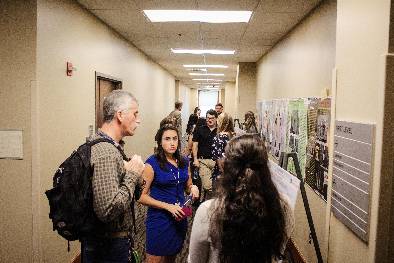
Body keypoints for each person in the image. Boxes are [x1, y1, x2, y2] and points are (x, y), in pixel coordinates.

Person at [189, 134, 294, 263]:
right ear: (265, 167)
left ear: (227, 166)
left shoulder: (208, 211)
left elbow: (195, 260)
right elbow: (277, 253)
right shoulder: (283, 206)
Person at [81, 90, 145, 263]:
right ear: (120, 115)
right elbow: (107, 210)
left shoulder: (112, 147)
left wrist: (134, 175)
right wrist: (132, 175)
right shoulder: (106, 153)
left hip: (111, 242)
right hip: (108, 246)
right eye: (135, 113)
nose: (138, 119)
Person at [138, 124, 199, 263]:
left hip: (179, 217)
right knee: (153, 259)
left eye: (175, 139)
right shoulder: (151, 163)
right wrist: (168, 207)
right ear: (160, 142)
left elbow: (188, 185)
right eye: (167, 139)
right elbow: (141, 196)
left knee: (172, 256)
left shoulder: (184, 161)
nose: (172, 143)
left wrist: (193, 188)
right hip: (159, 218)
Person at [192, 109, 218, 200]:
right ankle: (212, 203)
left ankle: (210, 202)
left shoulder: (219, 131)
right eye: (207, 118)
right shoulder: (200, 129)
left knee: (218, 185)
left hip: (217, 162)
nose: (209, 120)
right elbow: (195, 145)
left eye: (212, 118)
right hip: (203, 161)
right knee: (208, 186)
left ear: (216, 119)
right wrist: (195, 159)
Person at [211, 112, 234, 184]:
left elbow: (218, 158)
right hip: (234, 170)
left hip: (222, 172)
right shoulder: (234, 136)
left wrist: (223, 174)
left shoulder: (219, 137)